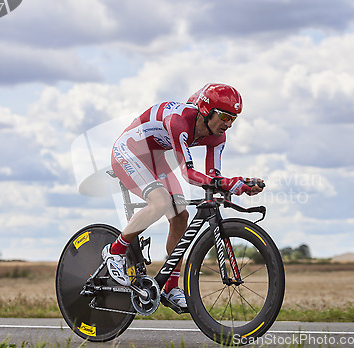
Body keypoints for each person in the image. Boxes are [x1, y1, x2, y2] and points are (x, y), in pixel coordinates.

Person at [101, 83, 264, 311]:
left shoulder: (218, 137)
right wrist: (228, 183)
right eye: (225, 116)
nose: (228, 124)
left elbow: (212, 177)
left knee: (180, 216)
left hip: (156, 158)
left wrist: (240, 186)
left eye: (233, 119)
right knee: (160, 202)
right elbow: (188, 175)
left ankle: (170, 287)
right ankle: (115, 250)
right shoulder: (180, 121)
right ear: (207, 110)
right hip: (129, 151)